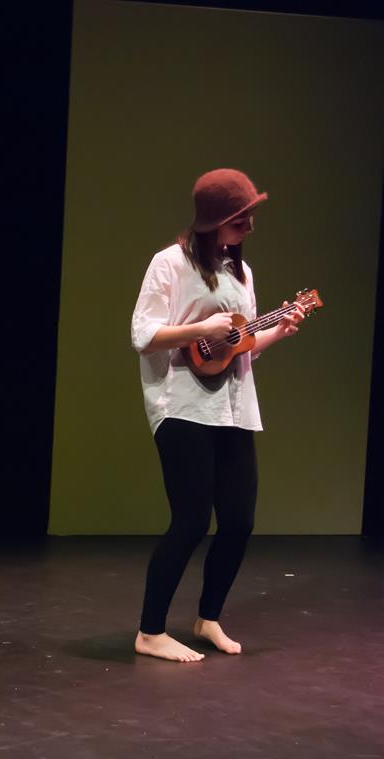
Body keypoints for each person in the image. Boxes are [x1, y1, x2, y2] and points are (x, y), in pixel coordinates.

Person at [131, 168, 303, 663]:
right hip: (182, 405)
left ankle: (208, 617)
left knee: (239, 521)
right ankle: (150, 631)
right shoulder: (169, 264)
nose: (248, 227)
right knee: (189, 521)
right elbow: (143, 335)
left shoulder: (241, 274)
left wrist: (278, 331)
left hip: (234, 409)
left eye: (250, 218)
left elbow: (238, 349)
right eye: (238, 219)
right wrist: (198, 327)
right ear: (212, 222)